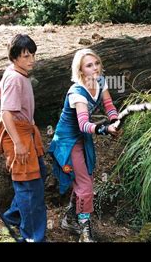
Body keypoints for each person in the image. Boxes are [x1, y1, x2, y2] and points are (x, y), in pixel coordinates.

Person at [48, 48, 121, 242]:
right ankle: (85, 232)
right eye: (89, 65)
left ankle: (70, 218)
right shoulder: (76, 92)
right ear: (80, 70)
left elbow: (109, 106)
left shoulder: (101, 81)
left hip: (83, 137)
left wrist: (115, 120)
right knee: (86, 186)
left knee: (84, 179)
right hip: (68, 140)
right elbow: (83, 124)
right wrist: (105, 130)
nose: (95, 68)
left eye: (96, 63)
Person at [0, 34, 47, 242]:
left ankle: (13, 216)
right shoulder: (15, 78)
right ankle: (33, 237)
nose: (31, 60)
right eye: (25, 56)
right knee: (30, 188)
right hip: (18, 133)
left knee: (38, 174)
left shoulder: (14, 72)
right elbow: (5, 113)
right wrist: (18, 143)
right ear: (14, 57)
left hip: (25, 130)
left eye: (33, 54)